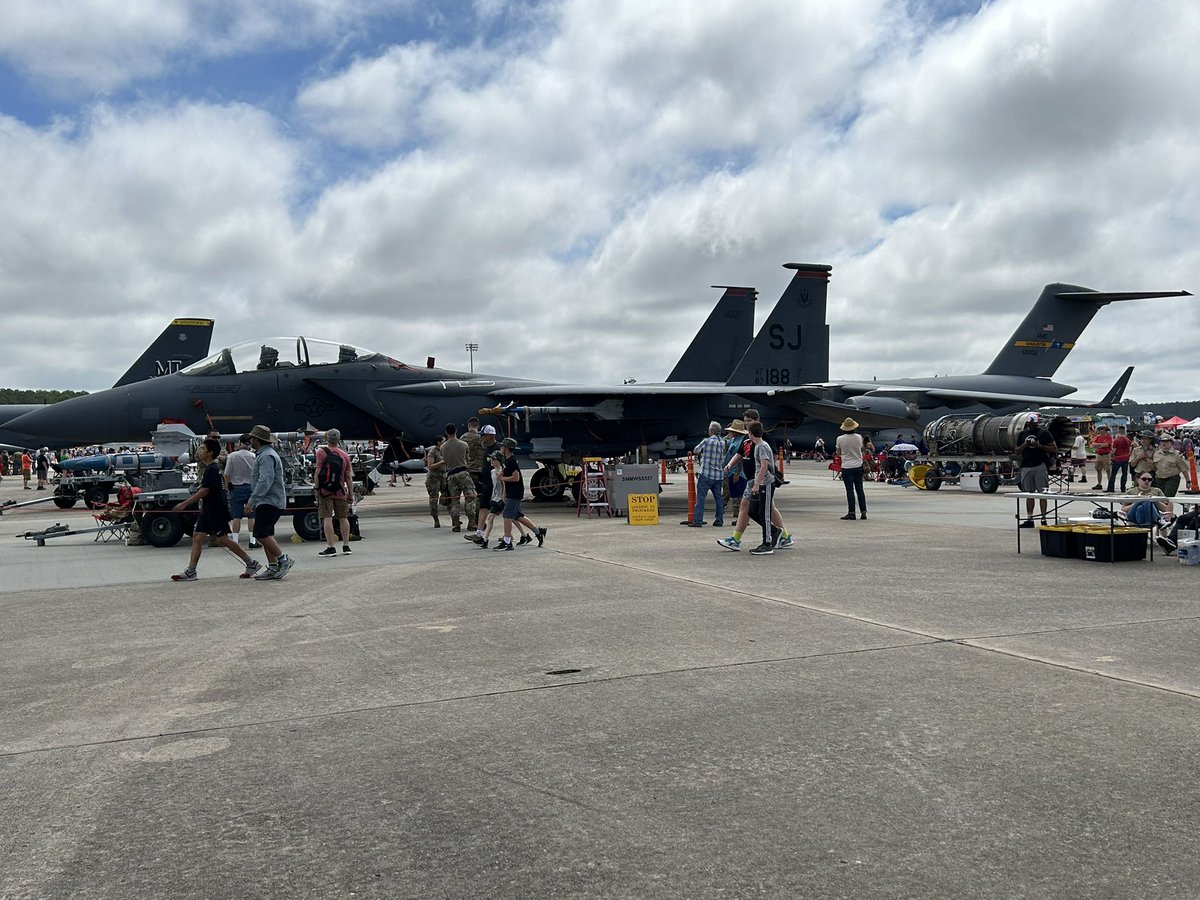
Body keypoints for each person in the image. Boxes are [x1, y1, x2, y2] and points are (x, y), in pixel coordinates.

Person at [169, 438, 261, 581]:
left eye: (203, 449)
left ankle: (251, 563)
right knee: (198, 537)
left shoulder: (212, 469)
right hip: (208, 510)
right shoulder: (210, 468)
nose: (199, 451)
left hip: (215, 511)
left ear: (210, 453)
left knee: (224, 540)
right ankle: (191, 571)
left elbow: (204, 491)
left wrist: (184, 504)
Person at [717, 411, 792, 552]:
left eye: (749, 420)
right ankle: (782, 535)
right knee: (752, 507)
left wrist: (762, 477)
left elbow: (771, 457)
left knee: (763, 508)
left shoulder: (764, 439)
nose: (746, 423)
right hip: (752, 479)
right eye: (745, 420)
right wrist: (730, 465)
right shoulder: (747, 438)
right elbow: (739, 454)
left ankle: (778, 536)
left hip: (762, 480)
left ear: (757, 421)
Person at [246, 424, 294, 580]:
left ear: (257, 440)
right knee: (267, 533)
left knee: (260, 533)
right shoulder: (265, 454)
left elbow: (265, 480)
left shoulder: (266, 456)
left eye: (252, 438)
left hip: (269, 500)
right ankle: (272, 566)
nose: (250, 441)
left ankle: (283, 560)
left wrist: (253, 500)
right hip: (268, 500)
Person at [493, 437, 546, 550]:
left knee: (507, 516)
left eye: (502, 446)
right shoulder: (508, 461)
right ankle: (538, 531)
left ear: (506, 448)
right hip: (513, 492)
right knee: (517, 516)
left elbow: (516, 478)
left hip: (515, 492)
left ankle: (507, 541)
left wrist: (502, 478)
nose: (501, 448)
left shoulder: (511, 461)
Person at [314, 428, 354, 557]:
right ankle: (346, 546)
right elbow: (348, 477)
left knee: (327, 518)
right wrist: (350, 494)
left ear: (327, 439)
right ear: (339, 439)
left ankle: (330, 547)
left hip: (325, 491)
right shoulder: (344, 455)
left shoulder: (321, 452)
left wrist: (317, 488)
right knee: (343, 518)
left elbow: (318, 472)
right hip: (340, 490)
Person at [1013, 420, 1056, 527]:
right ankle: (1030, 519)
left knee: (1042, 493)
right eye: (1030, 423)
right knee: (1029, 494)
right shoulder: (1022, 434)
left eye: (1034, 423)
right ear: (1027, 423)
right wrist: (1025, 445)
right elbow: (1017, 451)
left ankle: (1043, 518)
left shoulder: (1044, 433)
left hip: (1039, 464)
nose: (1032, 425)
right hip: (1026, 465)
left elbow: (1054, 448)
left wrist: (1040, 446)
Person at [439, 423, 477, 532]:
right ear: (456, 431)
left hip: (450, 475)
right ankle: (471, 523)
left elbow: (445, 460)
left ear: (446, 433)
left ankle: (456, 524)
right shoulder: (463, 444)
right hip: (463, 473)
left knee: (454, 501)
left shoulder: (442, 447)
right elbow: (467, 458)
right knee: (470, 497)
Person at [467, 425, 501, 542]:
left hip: (498, 485)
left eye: (483, 435)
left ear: (491, 436)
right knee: (483, 507)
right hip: (487, 483)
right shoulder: (486, 448)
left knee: (511, 513)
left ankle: (524, 533)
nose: (481, 437)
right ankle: (479, 533)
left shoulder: (499, 449)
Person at [690, 421, 726, 527]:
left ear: (712, 431)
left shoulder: (706, 441)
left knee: (701, 498)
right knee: (718, 498)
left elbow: (695, 450)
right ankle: (719, 520)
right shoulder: (723, 442)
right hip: (718, 475)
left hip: (706, 474)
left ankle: (698, 521)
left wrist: (703, 453)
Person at [223, 435, 257, 546]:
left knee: (236, 516)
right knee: (252, 515)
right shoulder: (253, 456)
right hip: (251, 487)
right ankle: (252, 540)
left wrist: (228, 488)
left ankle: (236, 540)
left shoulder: (232, 456)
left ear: (240, 443)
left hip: (236, 488)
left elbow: (226, 474)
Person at [835, 418, 867, 520]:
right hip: (858, 465)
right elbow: (861, 449)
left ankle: (851, 512)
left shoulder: (840, 439)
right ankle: (863, 512)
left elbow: (838, 453)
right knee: (860, 490)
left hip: (847, 466)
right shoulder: (859, 437)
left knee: (850, 491)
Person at [423, 436, 447, 527]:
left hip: (443, 476)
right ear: (438, 442)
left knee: (447, 496)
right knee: (434, 499)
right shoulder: (433, 452)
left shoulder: (444, 450)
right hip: (433, 478)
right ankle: (436, 519)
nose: (445, 442)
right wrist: (441, 462)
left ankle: (454, 519)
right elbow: (430, 466)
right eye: (443, 441)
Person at [1108, 425, 1132, 493]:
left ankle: (1111, 488)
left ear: (1118, 430)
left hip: (1117, 459)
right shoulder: (1128, 440)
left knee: (1113, 474)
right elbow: (1130, 450)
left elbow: (1114, 451)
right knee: (1124, 474)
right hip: (1125, 459)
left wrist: (1112, 455)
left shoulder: (1116, 440)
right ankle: (1123, 488)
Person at [1091, 424, 1112, 490]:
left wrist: (1098, 445)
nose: (1100, 431)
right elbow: (1093, 444)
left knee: (1108, 470)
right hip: (1099, 455)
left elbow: (1106, 445)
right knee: (1098, 469)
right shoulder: (1098, 437)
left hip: (1106, 455)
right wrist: (1100, 445)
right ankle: (1099, 484)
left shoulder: (1109, 437)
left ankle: (1110, 484)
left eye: (1101, 429)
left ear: (1105, 430)